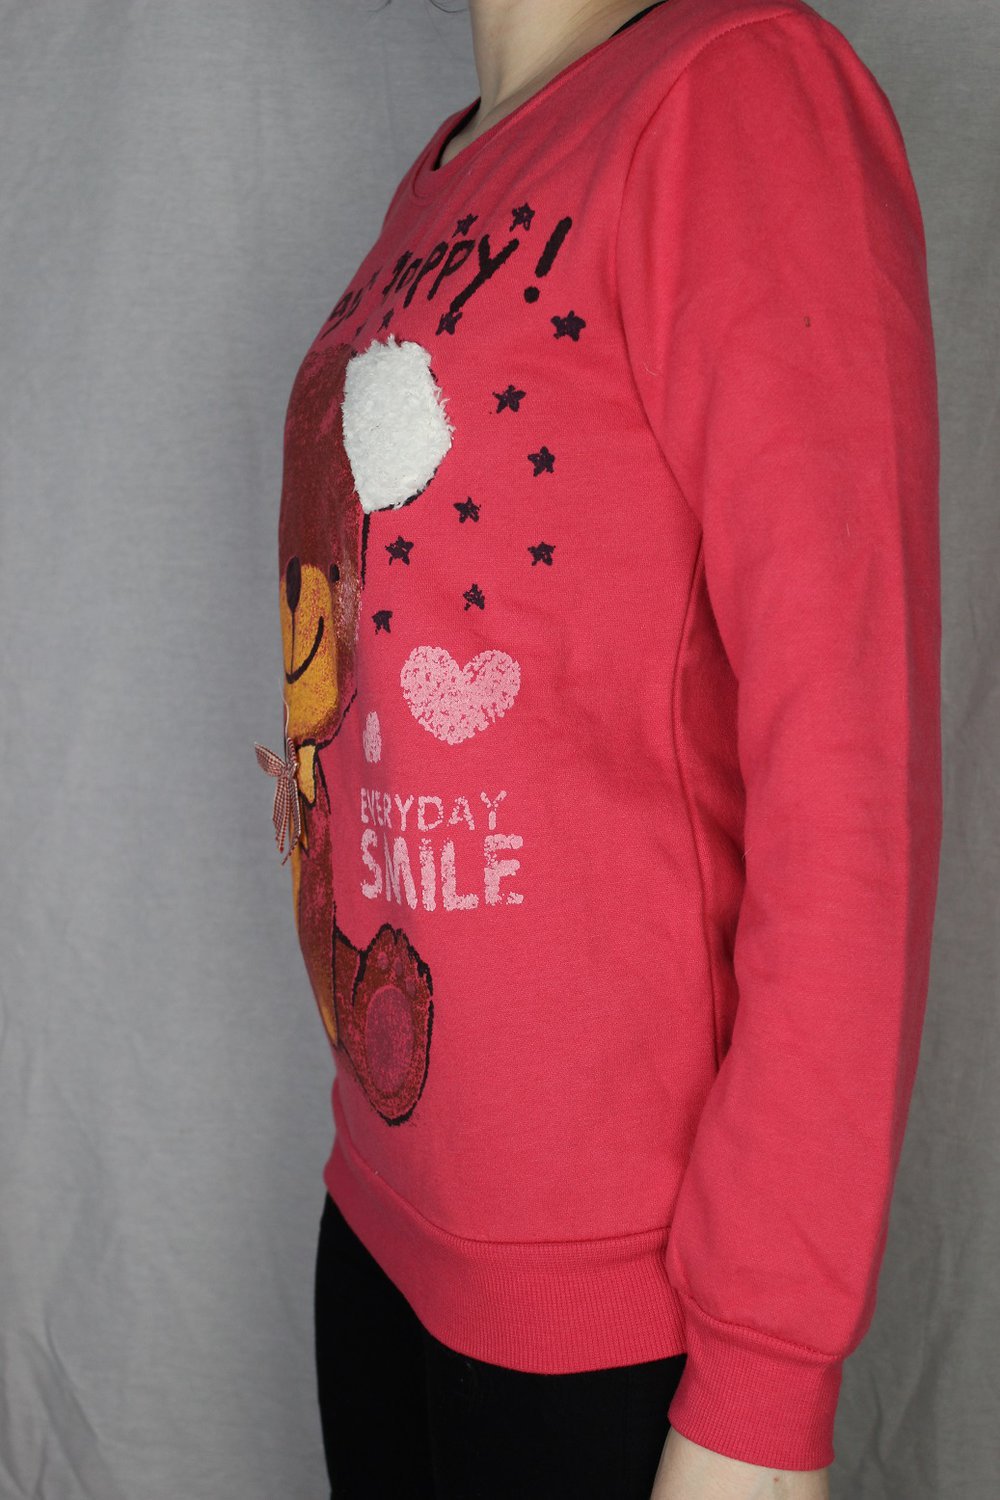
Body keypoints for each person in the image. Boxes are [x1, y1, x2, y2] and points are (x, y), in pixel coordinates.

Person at [254, 1, 942, 1495]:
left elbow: (849, 779)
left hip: (607, 1309)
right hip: (382, 1213)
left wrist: (762, 1381)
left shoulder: (734, 92)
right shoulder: (446, 172)